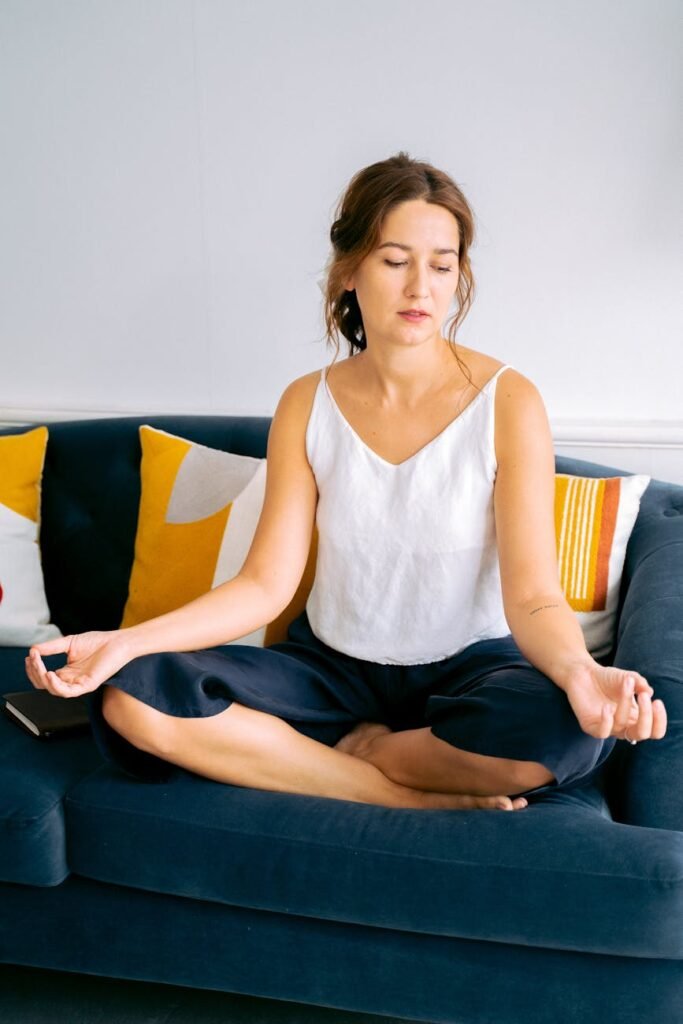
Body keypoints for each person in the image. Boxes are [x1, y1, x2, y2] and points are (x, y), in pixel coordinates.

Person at [25, 152, 666, 813]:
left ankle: (371, 752)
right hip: (329, 671)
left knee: (567, 735)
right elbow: (264, 586)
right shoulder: (307, 403)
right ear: (349, 270)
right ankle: (402, 796)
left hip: (471, 670)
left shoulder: (508, 402)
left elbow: (532, 594)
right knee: (134, 701)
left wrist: (580, 673)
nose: (420, 286)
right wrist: (122, 641)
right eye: (395, 261)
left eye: (441, 265)